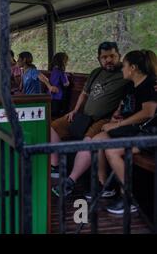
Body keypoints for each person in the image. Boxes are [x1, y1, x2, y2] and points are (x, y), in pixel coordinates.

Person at [50, 41, 130, 196]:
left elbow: (143, 81)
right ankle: (56, 166)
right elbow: (84, 93)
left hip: (104, 119)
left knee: (88, 142)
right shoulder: (96, 73)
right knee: (52, 127)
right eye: (104, 57)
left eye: (112, 56)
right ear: (99, 58)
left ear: (119, 56)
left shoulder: (126, 73)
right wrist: (74, 110)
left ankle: (71, 181)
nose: (108, 60)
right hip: (83, 116)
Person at [90, 50, 156, 215]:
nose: (122, 69)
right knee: (97, 140)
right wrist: (116, 118)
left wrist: (118, 124)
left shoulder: (150, 84)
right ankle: (105, 185)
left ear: (133, 68)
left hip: (149, 135)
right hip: (133, 131)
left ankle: (128, 198)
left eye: (124, 66)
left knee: (112, 150)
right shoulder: (131, 86)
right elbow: (127, 108)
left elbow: (148, 113)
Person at [49, 52, 70, 118]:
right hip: (58, 96)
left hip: (51, 95)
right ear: (63, 62)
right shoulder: (61, 72)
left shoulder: (53, 70)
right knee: (57, 114)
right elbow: (66, 84)